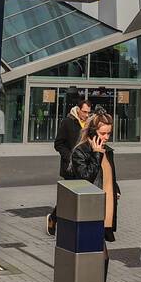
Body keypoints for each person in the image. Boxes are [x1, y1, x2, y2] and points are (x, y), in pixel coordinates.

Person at [68, 110, 119, 282]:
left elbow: (109, 176)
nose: (106, 137)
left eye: (109, 133)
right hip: (90, 211)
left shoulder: (108, 152)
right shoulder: (81, 152)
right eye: (103, 133)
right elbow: (85, 179)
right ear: (92, 132)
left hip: (106, 210)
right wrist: (96, 155)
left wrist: (116, 189)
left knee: (101, 256)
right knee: (101, 256)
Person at [47, 92, 90, 236]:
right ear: (78, 110)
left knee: (83, 197)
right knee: (68, 198)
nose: (86, 115)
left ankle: (78, 225)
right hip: (70, 167)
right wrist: (69, 156)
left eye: (88, 112)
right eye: (84, 112)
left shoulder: (90, 124)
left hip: (84, 166)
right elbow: (58, 144)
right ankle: (53, 218)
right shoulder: (67, 122)